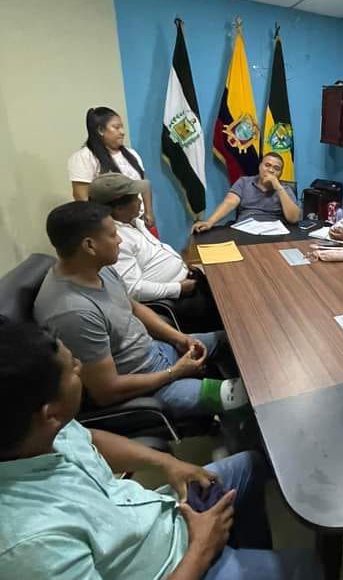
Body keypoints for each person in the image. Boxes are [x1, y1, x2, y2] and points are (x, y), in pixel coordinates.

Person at [0, 321, 323, 580]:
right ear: (49, 413)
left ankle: (248, 572)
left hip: (161, 524)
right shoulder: (23, 548)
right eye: (71, 368)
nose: (79, 368)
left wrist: (167, 464)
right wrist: (201, 551)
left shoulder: (34, 433)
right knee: (310, 573)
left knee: (250, 467)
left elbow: (88, 439)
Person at [34, 201, 245, 423]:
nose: (119, 240)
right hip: (147, 388)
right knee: (241, 398)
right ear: (89, 245)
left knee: (237, 340)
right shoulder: (73, 314)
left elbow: (133, 307)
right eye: (113, 235)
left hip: (158, 352)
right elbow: (106, 391)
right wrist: (175, 372)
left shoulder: (97, 269)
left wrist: (180, 339)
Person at [88, 173, 221, 333]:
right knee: (226, 308)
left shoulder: (134, 222)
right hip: (173, 299)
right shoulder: (116, 240)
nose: (140, 201)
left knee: (224, 284)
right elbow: (133, 289)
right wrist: (178, 288)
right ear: (118, 208)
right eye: (135, 198)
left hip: (186, 281)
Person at [68, 107, 155, 229]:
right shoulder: (83, 158)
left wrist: (148, 211)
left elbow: (144, 184)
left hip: (138, 220)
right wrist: (101, 226)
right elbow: (82, 198)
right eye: (116, 127)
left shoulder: (131, 154)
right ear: (100, 130)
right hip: (113, 225)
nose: (122, 132)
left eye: (122, 127)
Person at [192, 152, 300, 232]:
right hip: (245, 230)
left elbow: (294, 219)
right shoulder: (244, 182)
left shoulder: (285, 190)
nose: (271, 170)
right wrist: (209, 222)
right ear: (260, 166)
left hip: (273, 233)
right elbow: (229, 202)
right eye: (267, 165)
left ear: (280, 173)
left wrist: (278, 187)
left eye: (276, 168)